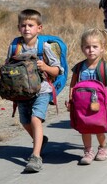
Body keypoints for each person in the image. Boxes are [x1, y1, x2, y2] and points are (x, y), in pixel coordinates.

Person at [5, 9, 64, 173]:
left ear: (39, 28)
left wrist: (45, 67)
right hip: (22, 93)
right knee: (25, 122)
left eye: (31, 25)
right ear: (19, 27)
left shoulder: (44, 47)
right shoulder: (14, 47)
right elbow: (7, 66)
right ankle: (41, 140)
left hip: (42, 90)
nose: (27, 28)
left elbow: (58, 70)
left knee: (35, 119)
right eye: (23, 25)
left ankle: (36, 156)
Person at [68, 28, 107, 165]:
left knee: (98, 127)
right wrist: (70, 100)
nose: (91, 50)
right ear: (82, 48)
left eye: (95, 47)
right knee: (84, 128)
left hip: (100, 104)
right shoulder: (79, 67)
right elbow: (73, 85)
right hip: (82, 104)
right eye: (87, 47)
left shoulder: (104, 67)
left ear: (102, 49)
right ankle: (88, 151)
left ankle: (103, 147)